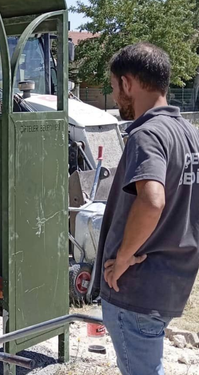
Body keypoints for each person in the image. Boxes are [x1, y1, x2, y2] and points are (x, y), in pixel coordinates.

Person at [94, 43, 199, 375]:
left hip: (135, 288)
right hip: (171, 283)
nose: (114, 97)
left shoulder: (146, 135)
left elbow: (152, 200)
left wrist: (124, 256)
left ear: (128, 84)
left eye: (113, 87)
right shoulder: (190, 136)